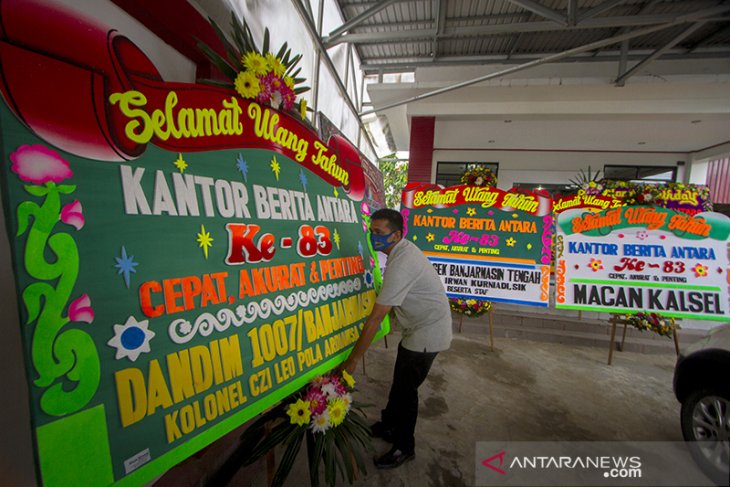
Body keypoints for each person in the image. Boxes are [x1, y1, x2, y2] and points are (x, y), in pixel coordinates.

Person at [340, 208, 452, 469]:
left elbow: (377, 318)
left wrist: (354, 360)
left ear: (397, 235)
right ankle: (389, 424)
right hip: (417, 327)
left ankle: (404, 446)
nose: (373, 236)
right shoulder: (399, 251)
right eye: (371, 231)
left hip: (428, 332)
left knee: (406, 391)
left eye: (379, 233)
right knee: (400, 379)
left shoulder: (402, 263)